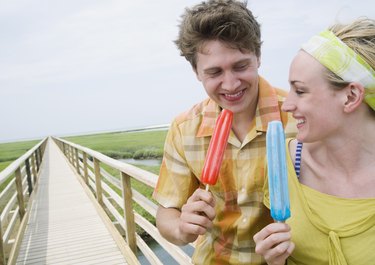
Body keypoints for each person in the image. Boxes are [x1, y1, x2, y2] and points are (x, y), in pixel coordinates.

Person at [152, 1, 296, 264]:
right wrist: (181, 228)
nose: (230, 84)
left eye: (241, 66)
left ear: (258, 56)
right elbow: (166, 212)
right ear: (196, 71)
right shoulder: (184, 129)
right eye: (215, 72)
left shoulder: (298, 115)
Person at [253, 18, 375, 265]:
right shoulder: (285, 164)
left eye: (300, 90)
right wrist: (275, 261)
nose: (286, 105)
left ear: (351, 96)